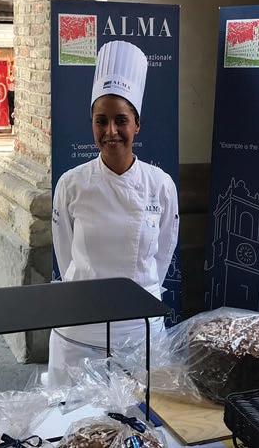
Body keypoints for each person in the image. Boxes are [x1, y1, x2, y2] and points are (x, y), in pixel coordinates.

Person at [47, 40, 179, 386]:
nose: (110, 131)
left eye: (121, 120)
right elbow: (65, 254)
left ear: (137, 124)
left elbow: (163, 254)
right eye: (101, 121)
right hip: (79, 329)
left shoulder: (160, 185)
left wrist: (141, 291)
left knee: (142, 413)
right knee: (74, 415)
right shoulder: (71, 184)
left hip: (140, 328)